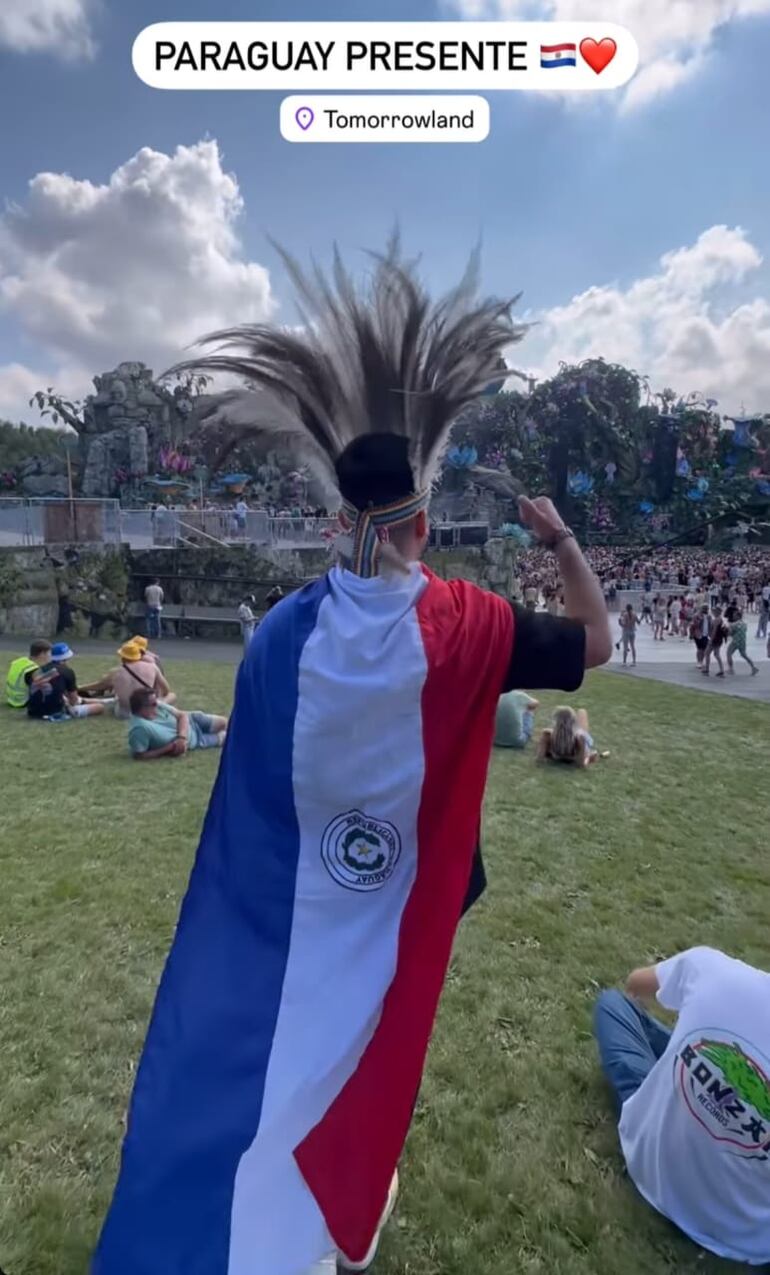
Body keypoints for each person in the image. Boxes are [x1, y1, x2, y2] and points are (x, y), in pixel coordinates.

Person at [92, 240, 611, 1275]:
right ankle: (339, 1212)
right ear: (422, 522)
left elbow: (252, 794)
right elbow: (592, 645)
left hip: (299, 899)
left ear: (335, 524)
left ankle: (274, 1206)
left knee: (295, 1036)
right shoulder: (466, 623)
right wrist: (556, 544)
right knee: (372, 1040)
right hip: (400, 896)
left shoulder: (282, 631)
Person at [594, 948, 770, 1266]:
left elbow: (635, 984)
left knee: (613, 1005)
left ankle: (686, 1063)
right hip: (748, 1236)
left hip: (651, 1161)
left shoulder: (711, 968)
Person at [81, 641, 175, 719]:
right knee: (172, 695)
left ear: (123, 657)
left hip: (123, 713)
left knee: (117, 700)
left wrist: (80, 687)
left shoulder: (115, 672)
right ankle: (157, 707)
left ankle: (83, 700)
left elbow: (99, 686)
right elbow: (166, 690)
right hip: (145, 711)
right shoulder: (152, 667)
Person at [127, 688, 227, 760]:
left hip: (193, 720)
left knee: (226, 723)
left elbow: (182, 715)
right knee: (229, 737)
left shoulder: (158, 706)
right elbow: (140, 755)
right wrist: (168, 748)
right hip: (196, 740)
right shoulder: (140, 728)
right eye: (153, 704)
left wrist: (181, 737)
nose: (157, 705)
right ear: (142, 708)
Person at [49, 642, 111, 718]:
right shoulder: (67, 671)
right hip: (56, 710)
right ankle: (104, 701)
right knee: (99, 707)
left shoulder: (40, 669)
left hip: (34, 709)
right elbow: (74, 701)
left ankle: (107, 700)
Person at [536, 705, 608, 768]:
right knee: (582, 711)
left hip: (559, 746)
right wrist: (589, 758)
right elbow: (581, 764)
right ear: (573, 722)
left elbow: (539, 759)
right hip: (578, 739)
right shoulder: (579, 737)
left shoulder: (547, 734)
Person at [727, 610, 759, 676]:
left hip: (735, 641)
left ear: (738, 616)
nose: (733, 617)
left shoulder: (733, 625)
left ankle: (731, 669)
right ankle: (753, 667)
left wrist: (728, 631)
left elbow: (729, 633)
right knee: (744, 655)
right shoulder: (744, 624)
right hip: (742, 641)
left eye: (734, 616)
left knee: (728, 653)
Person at [703, 606, 728, 677]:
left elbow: (714, 631)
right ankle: (721, 670)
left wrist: (711, 640)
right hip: (719, 639)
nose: (712, 612)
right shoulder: (720, 619)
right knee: (716, 654)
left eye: (714, 611)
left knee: (707, 653)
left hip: (715, 639)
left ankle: (707, 669)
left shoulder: (717, 620)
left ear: (717, 612)